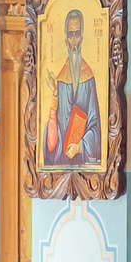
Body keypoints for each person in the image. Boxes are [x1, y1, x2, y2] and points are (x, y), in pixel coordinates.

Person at [44, 10, 102, 166]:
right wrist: (55, 94)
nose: (74, 40)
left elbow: (95, 124)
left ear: (82, 38)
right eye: (70, 35)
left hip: (82, 158)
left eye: (77, 34)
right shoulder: (60, 80)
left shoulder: (89, 78)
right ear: (66, 40)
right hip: (62, 160)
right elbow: (54, 125)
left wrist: (80, 146)